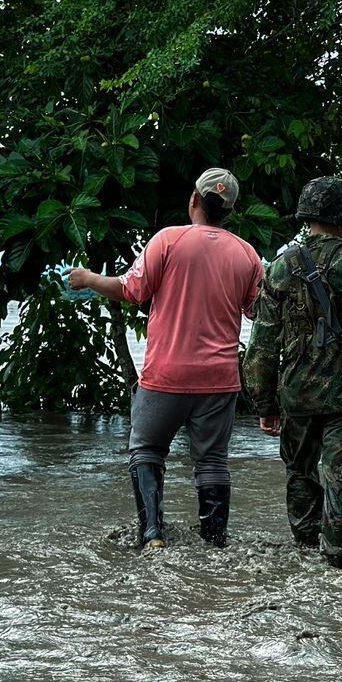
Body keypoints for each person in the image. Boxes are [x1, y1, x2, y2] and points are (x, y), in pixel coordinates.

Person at [68, 168, 264, 550]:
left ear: (193, 200)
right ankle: (214, 543)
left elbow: (130, 290)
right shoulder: (247, 254)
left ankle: (153, 536)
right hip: (220, 379)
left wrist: (89, 278)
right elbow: (258, 312)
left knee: (146, 450)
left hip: (165, 376)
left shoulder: (169, 240)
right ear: (230, 211)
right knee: (212, 463)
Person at [243, 177, 342, 569]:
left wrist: (264, 403)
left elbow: (261, 346)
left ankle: (302, 552)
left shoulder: (281, 267)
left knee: (299, 473)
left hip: (296, 395)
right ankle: (339, 563)